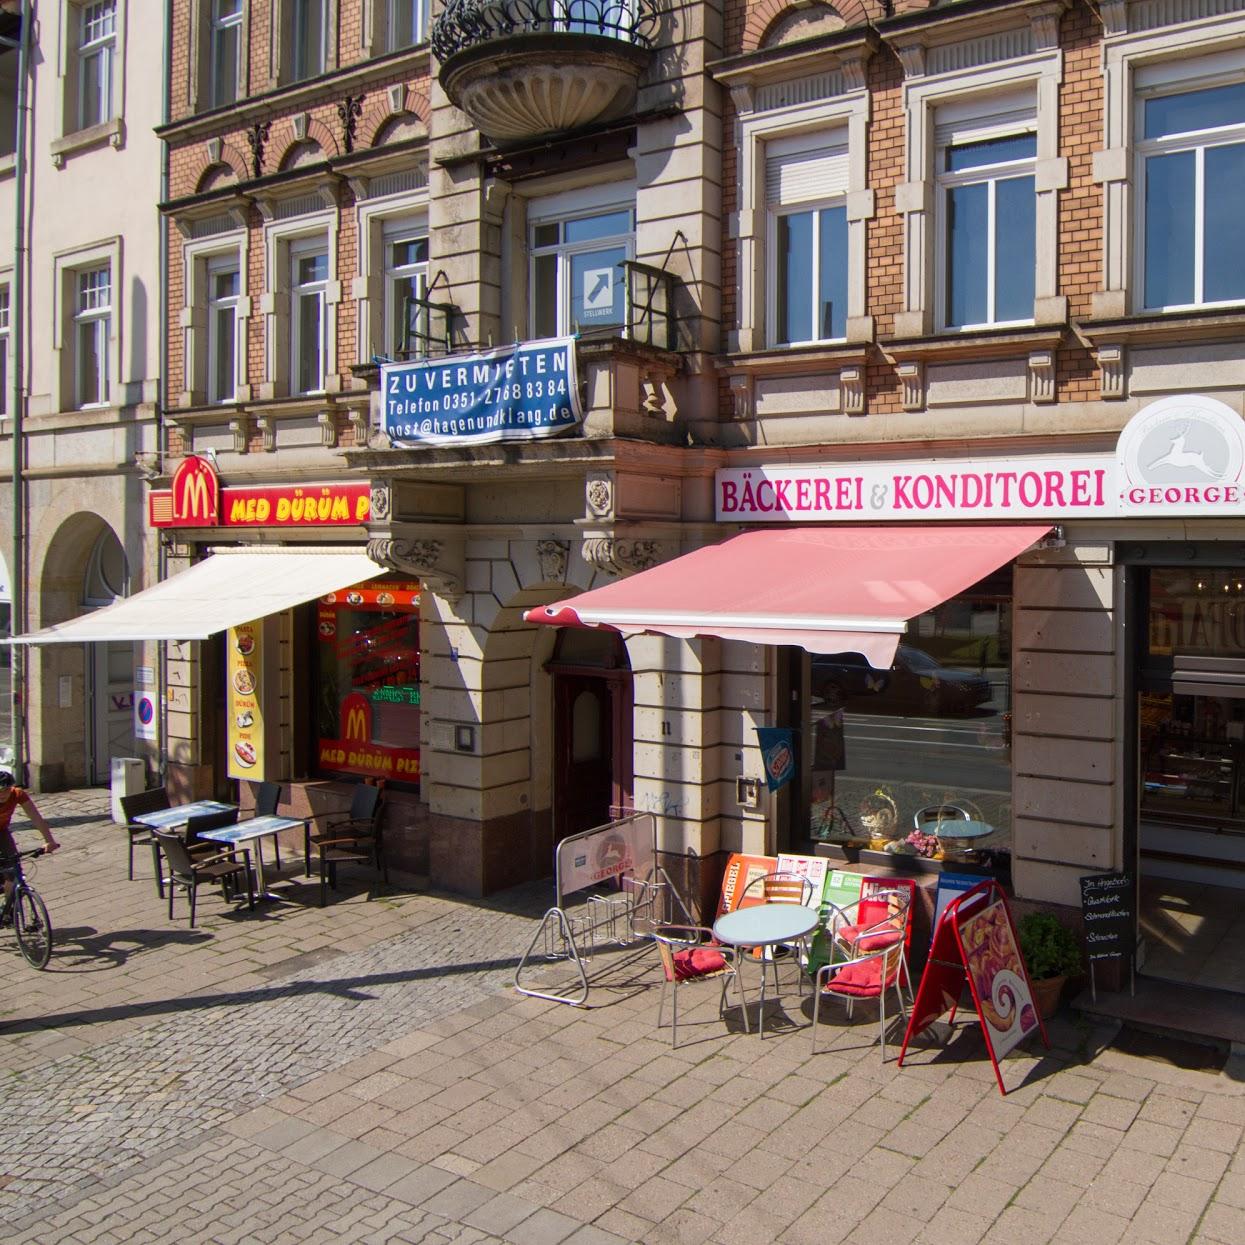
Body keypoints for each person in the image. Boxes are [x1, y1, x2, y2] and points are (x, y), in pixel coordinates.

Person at [0, 771, 59, 900]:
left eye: (7, 790)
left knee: (13, 870)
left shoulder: (17, 794)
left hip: (2, 831)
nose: (3, 794)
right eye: (0, 791)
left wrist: (49, 841)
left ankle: (9, 909)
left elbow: (36, 818)